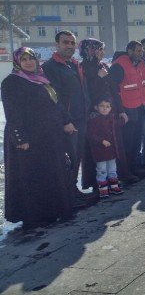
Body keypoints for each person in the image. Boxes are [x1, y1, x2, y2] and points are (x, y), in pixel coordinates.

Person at [2, 47, 73, 229]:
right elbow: (13, 113)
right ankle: (35, 216)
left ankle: (53, 210)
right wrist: (20, 138)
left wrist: (66, 121)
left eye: (31, 58)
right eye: (24, 59)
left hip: (49, 137)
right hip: (29, 139)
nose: (28, 62)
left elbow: (56, 104)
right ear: (17, 62)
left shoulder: (42, 79)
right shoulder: (12, 82)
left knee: (51, 173)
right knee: (32, 177)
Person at [42, 30, 94, 208]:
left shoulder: (73, 64)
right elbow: (54, 98)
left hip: (81, 119)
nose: (70, 46)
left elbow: (82, 91)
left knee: (77, 156)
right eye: (65, 42)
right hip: (67, 122)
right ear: (57, 45)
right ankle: (66, 197)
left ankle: (73, 189)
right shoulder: (50, 67)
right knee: (68, 159)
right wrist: (66, 121)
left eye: (72, 43)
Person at [79, 38, 135, 186]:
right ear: (89, 50)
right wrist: (98, 78)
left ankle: (118, 175)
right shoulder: (83, 67)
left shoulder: (103, 65)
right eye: (99, 49)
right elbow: (86, 92)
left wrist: (121, 110)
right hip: (95, 114)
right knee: (98, 147)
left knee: (116, 145)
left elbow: (113, 89)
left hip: (111, 111)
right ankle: (98, 183)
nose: (102, 52)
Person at [108, 41, 145, 180]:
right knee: (127, 142)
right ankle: (125, 173)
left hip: (139, 107)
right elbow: (113, 89)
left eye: (141, 51)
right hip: (127, 109)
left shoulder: (137, 64)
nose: (141, 54)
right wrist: (120, 110)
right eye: (138, 51)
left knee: (137, 140)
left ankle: (134, 167)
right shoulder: (119, 65)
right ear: (129, 51)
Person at [87, 97, 125, 199]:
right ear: (96, 107)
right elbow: (91, 135)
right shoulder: (93, 121)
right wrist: (101, 141)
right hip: (100, 151)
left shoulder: (111, 119)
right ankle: (103, 189)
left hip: (111, 151)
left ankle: (114, 186)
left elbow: (118, 124)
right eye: (102, 106)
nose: (105, 109)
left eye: (107, 107)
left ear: (110, 108)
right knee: (101, 170)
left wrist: (123, 119)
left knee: (112, 169)